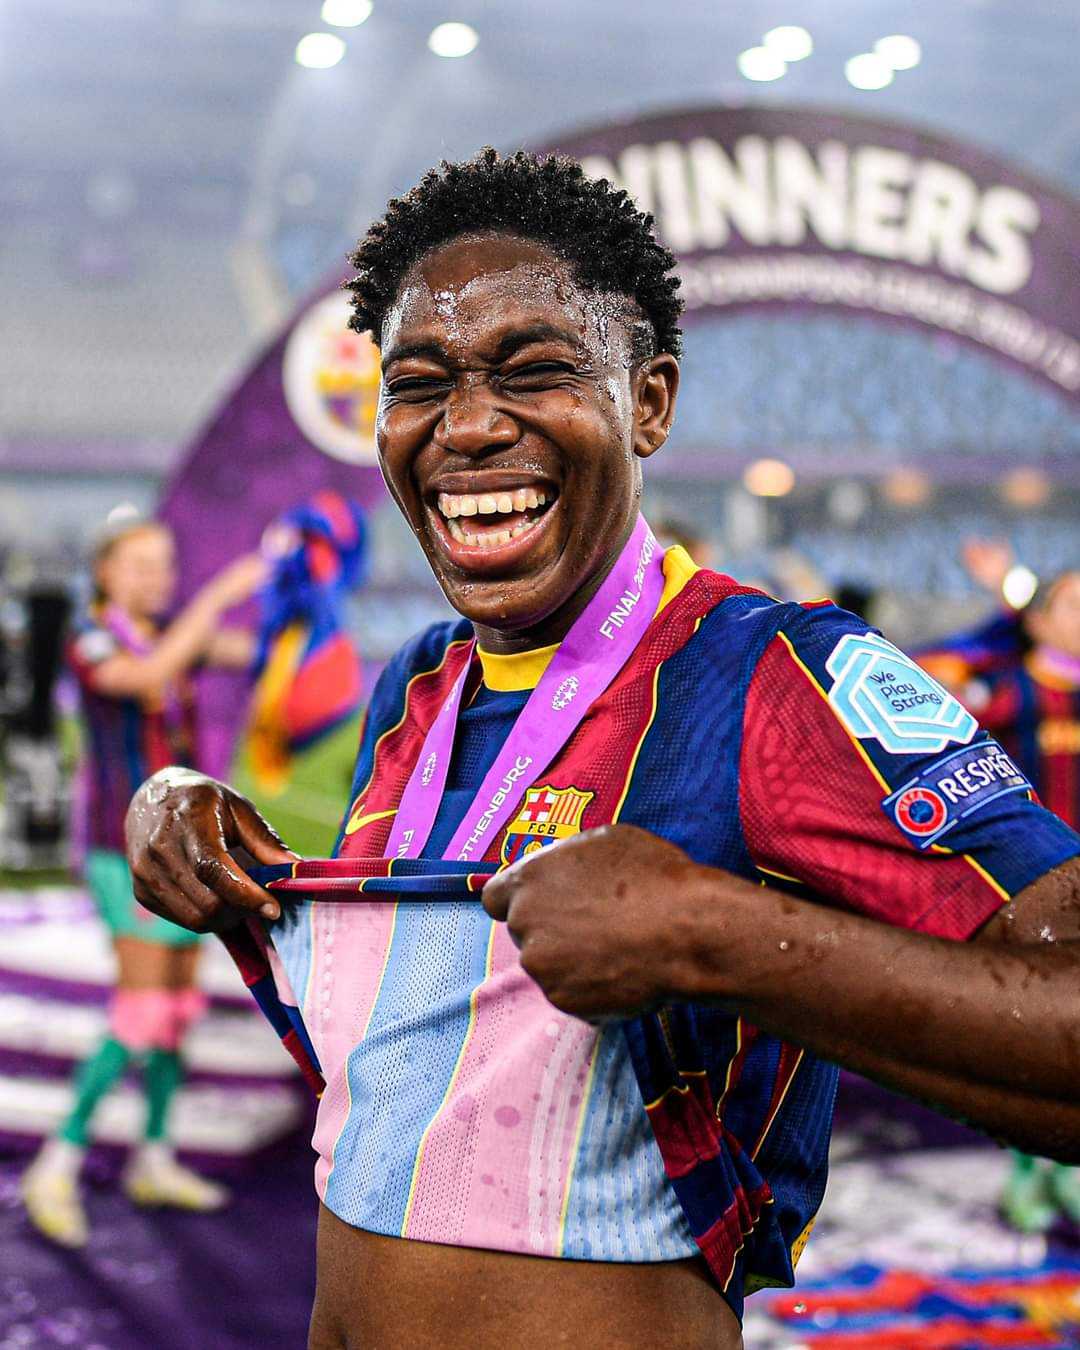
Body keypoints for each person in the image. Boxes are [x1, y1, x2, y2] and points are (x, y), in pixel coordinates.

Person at [124, 151, 1080, 1350]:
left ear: (650, 403)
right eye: (419, 384)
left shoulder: (782, 675)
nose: (467, 424)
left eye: (537, 371)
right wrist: (173, 808)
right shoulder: (417, 684)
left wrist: (717, 938)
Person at [21, 515, 266, 1248]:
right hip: (118, 851)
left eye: (165, 565)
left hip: (183, 847)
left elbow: (255, 655)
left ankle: (152, 1158)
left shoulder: (167, 637)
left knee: (179, 1009)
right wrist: (218, 594)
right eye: (141, 565)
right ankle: (55, 1163)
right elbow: (148, 676)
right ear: (105, 572)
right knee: (140, 1011)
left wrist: (296, 604)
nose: (156, 578)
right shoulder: (93, 638)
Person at [923, 563, 1080, 1233]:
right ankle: (1031, 1167)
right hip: (1033, 891)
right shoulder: (1011, 691)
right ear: (1040, 620)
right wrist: (1005, 603)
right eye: (1074, 604)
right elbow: (930, 673)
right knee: (1032, 1030)